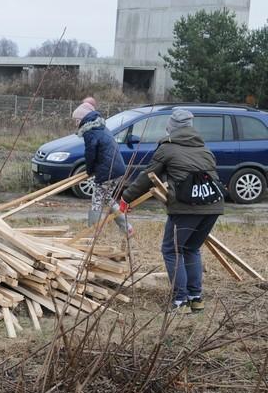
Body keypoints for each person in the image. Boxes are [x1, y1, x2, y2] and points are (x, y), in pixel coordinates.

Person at [119, 109, 224, 313]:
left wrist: (126, 198)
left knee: (171, 250)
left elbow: (147, 176)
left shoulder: (167, 148)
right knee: (191, 249)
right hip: (213, 207)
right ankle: (195, 298)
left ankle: (180, 301)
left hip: (187, 207)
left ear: (171, 128)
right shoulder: (204, 149)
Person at [72, 102, 133, 236]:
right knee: (107, 198)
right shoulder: (101, 127)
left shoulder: (90, 132)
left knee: (97, 200)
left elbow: (90, 154)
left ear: (83, 119)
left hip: (107, 171)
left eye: (76, 120)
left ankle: (92, 232)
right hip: (118, 169)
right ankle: (127, 228)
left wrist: (89, 171)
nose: (76, 123)